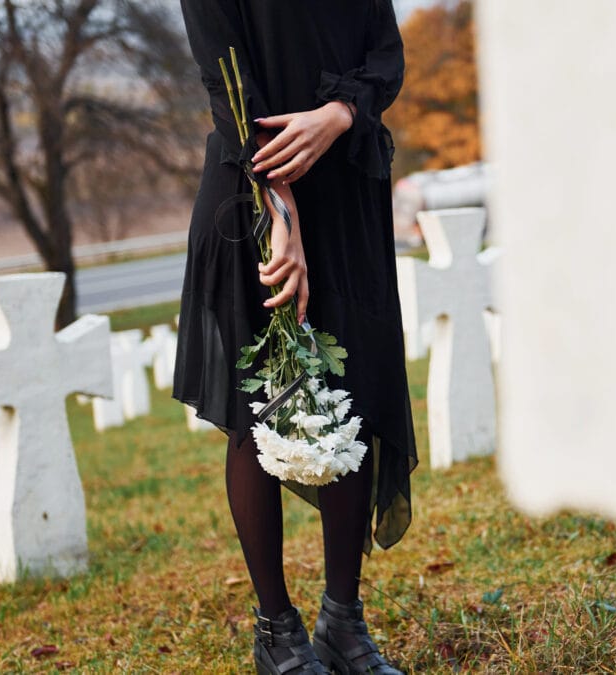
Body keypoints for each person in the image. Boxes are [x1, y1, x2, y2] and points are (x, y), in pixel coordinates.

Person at [173, 2, 417, 673]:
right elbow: (230, 86)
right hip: (252, 194)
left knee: (355, 392)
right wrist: (280, 212)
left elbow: (385, 52)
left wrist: (338, 115)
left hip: (348, 192)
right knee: (268, 405)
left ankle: (343, 623)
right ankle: (276, 633)